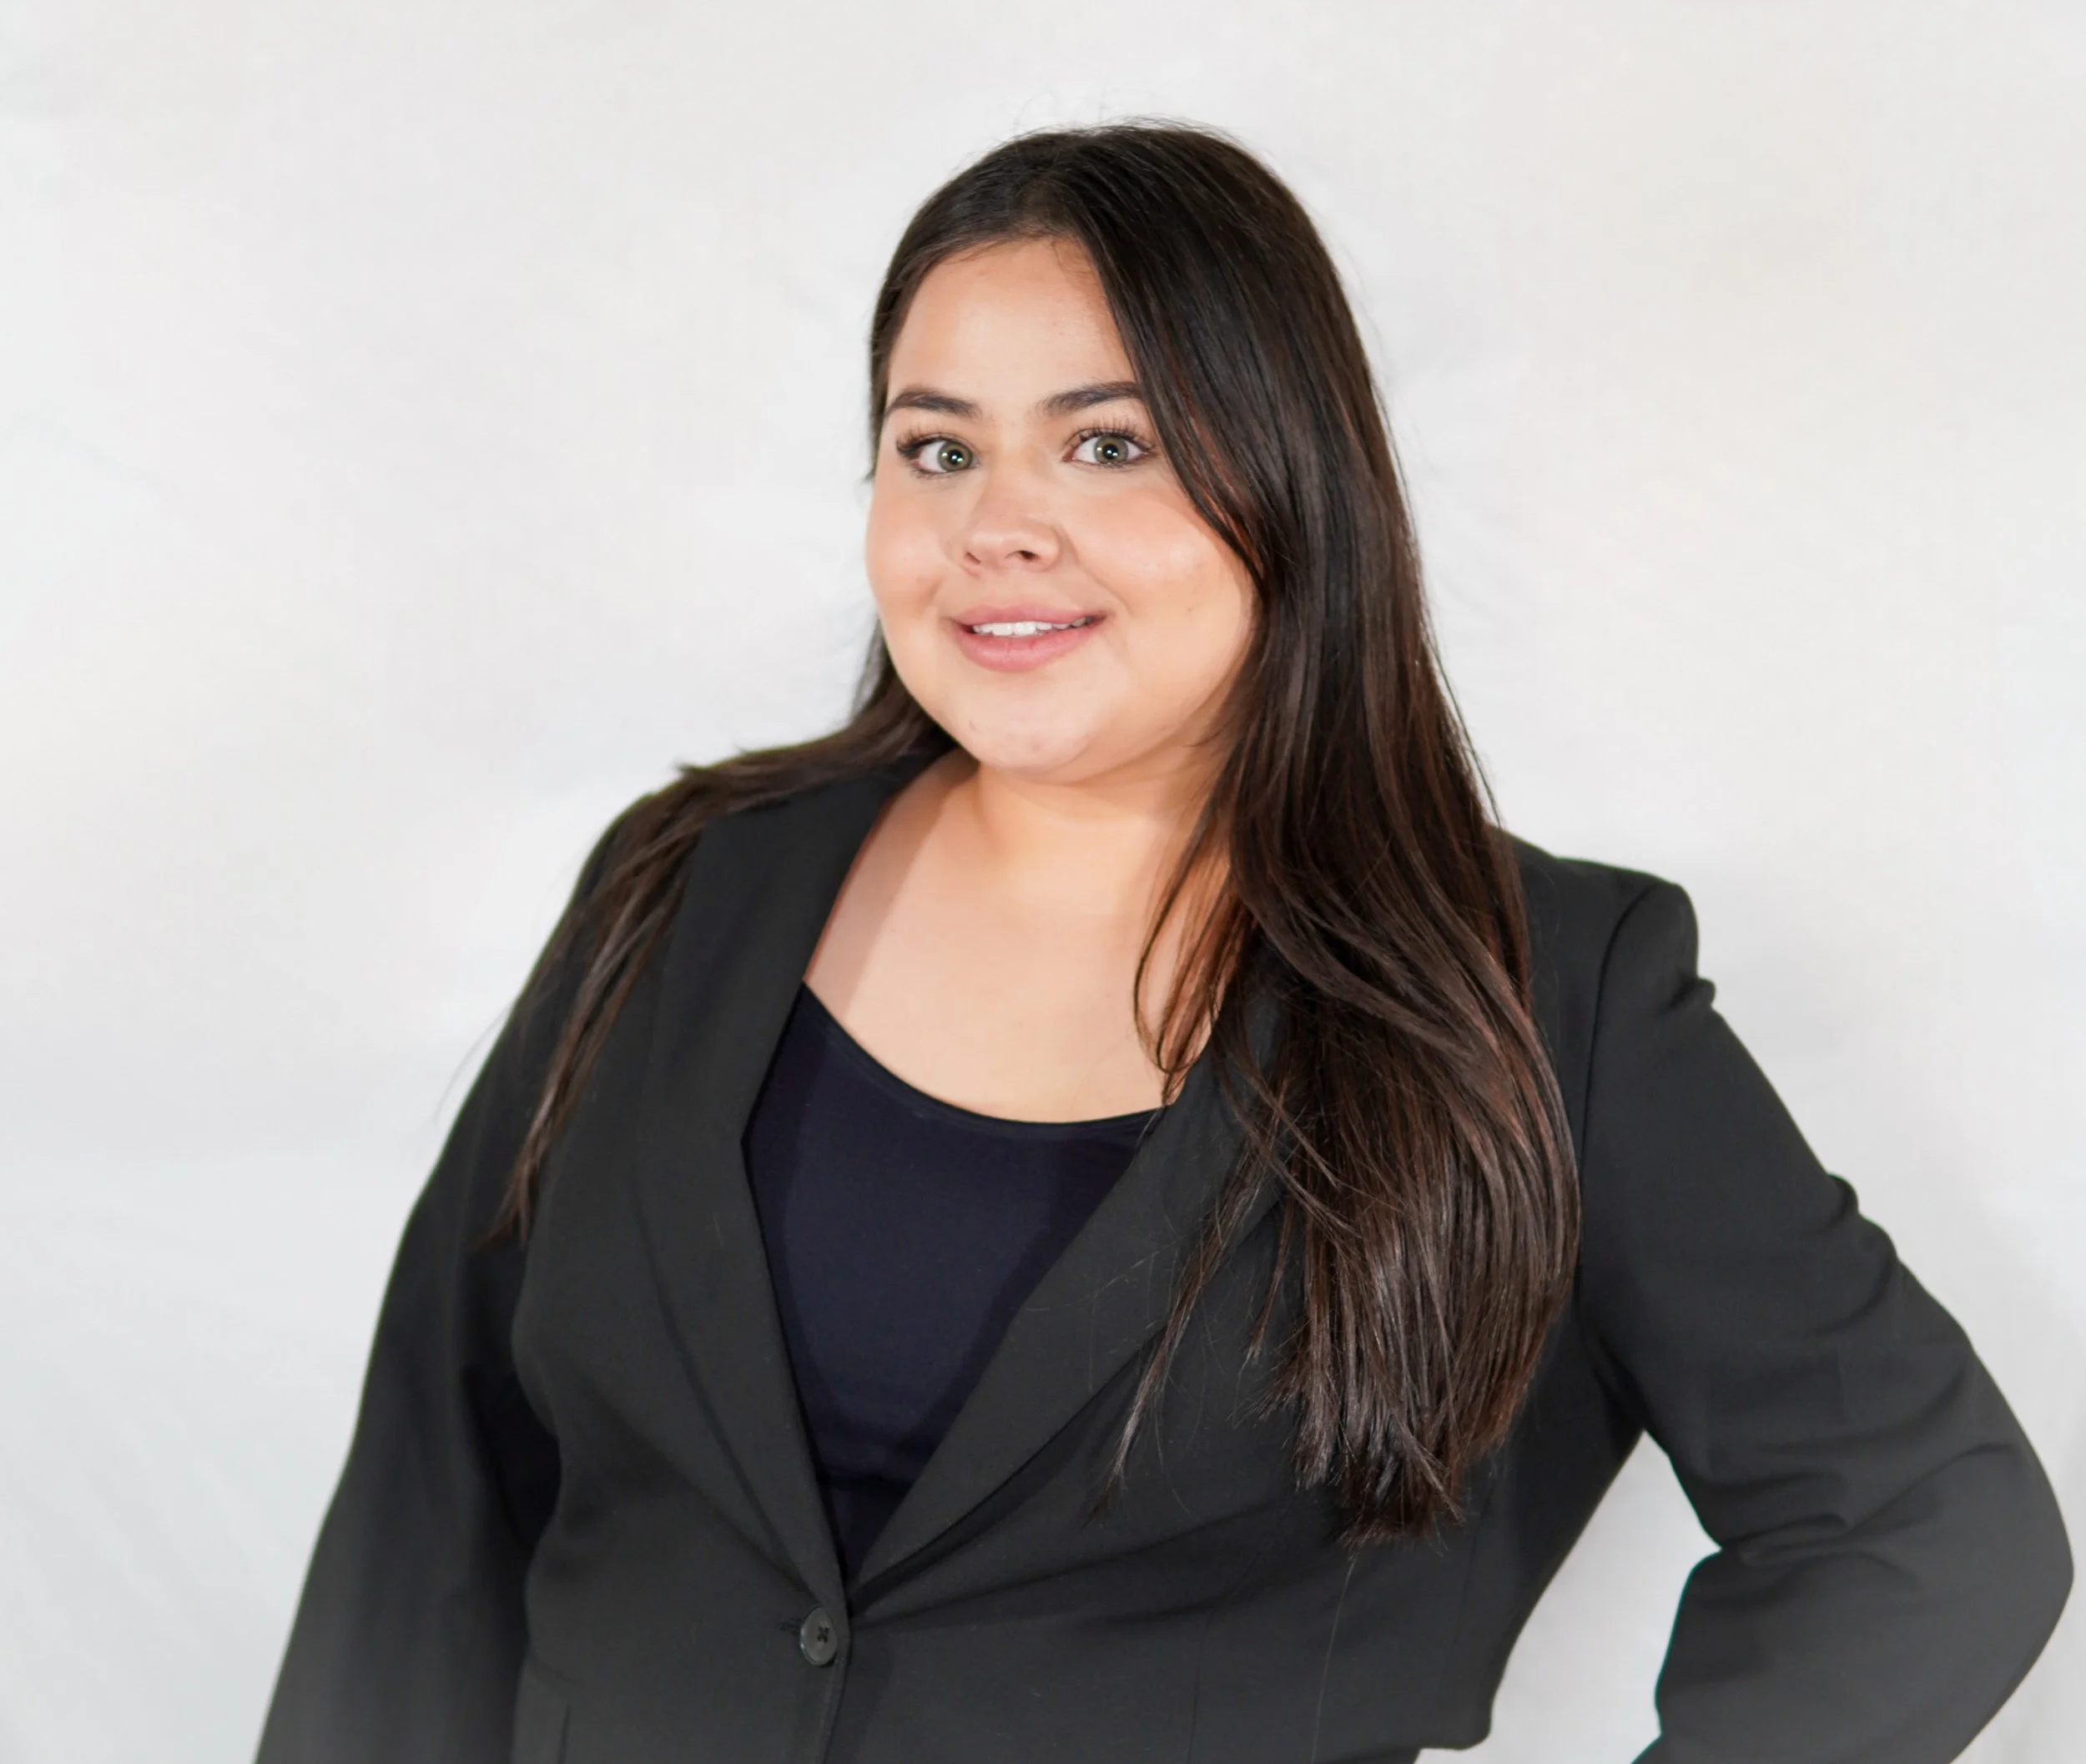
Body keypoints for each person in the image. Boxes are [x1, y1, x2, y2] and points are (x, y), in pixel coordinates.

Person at [255, 123, 2069, 1764]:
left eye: (1104, 441)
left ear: (1288, 484)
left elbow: (1924, 1522)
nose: (994, 527)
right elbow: (438, 1485)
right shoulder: (684, 882)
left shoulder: (1540, 993)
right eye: (935, 445)